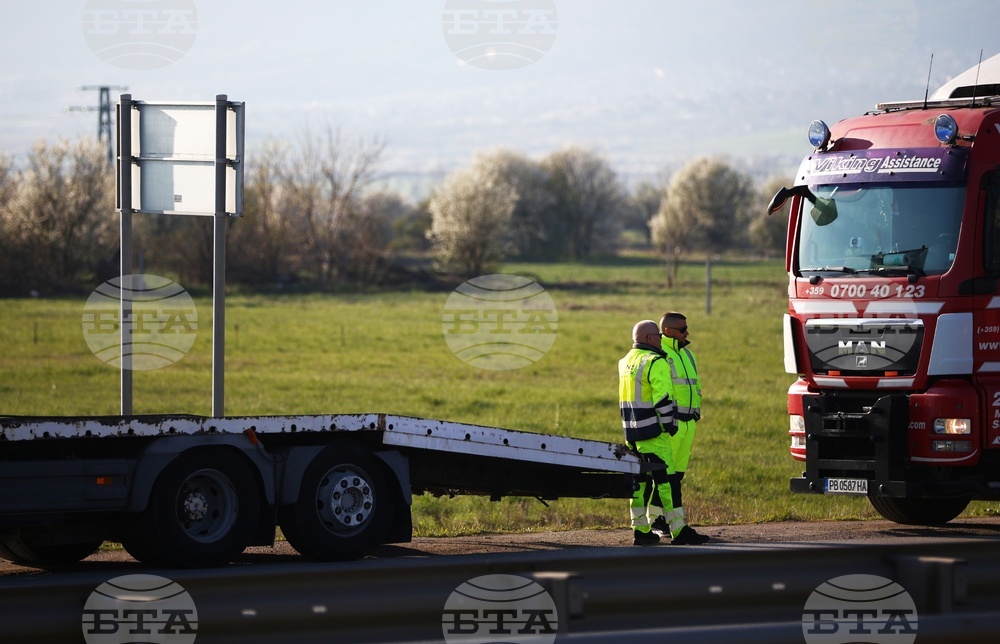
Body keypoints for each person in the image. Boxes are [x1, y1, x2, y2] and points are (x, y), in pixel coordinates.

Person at [618, 320, 707, 546]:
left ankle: (640, 530)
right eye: (657, 335)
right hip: (654, 433)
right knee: (668, 482)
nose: (660, 338)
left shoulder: (626, 361)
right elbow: (662, 399)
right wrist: (670, 425)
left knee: (640, 483)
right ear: (649, 339)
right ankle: (679, 532)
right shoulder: (655, 362)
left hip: (632, 432)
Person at [649, 311, 708, 543]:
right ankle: (660, 522)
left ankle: (661, 520)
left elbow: (696, 386)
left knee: (677, 475)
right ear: (668, 331)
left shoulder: (688, 354)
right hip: (671, 426)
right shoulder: (661, 355)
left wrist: (695, 414)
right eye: (683, 329)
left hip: (688, 424)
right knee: (667, 477)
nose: (687, 332)